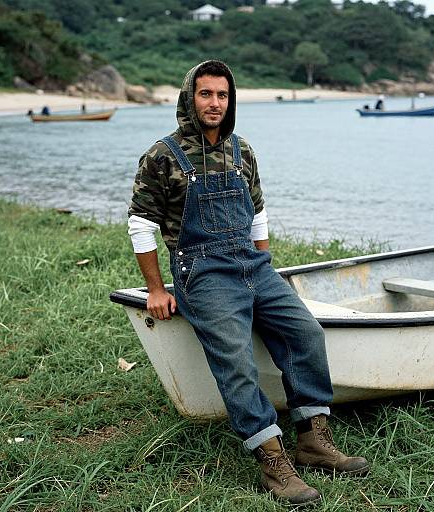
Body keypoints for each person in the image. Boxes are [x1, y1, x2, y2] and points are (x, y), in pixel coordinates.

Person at [127, 60, 369, 505]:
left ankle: (313, 441)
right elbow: (141, 225)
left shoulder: (243, 151)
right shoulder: (163, 155)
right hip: (201, 273)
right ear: (189, 98)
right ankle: (272, 461)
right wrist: (158, 290)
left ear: (230, 100)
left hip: (253, 266)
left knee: (306, 334)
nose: (215, 103)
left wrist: (263, 273)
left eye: (222, 95)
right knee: (236, 358)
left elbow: (258, 215)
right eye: (206, 94)